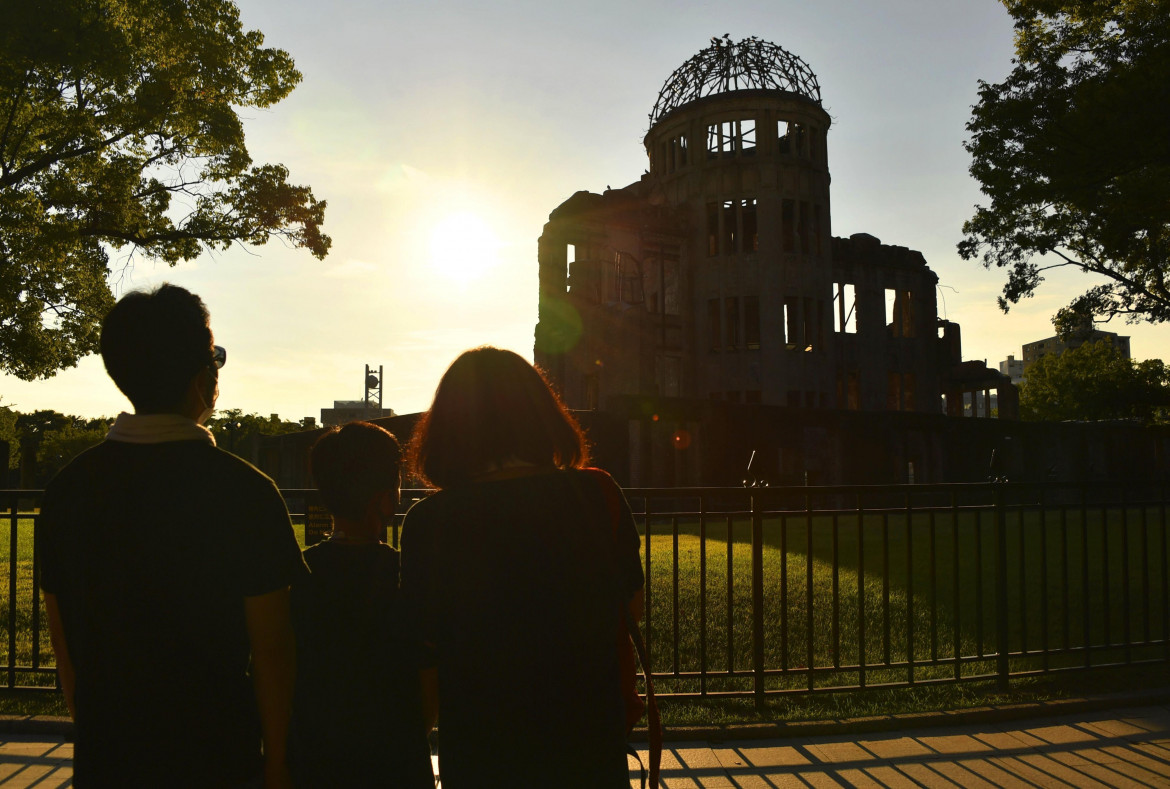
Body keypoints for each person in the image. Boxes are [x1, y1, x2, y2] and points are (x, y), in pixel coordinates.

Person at [37, 284, 308, 788]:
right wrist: (277, 762)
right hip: (217, 752)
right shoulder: (245, 492)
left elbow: (66, 649)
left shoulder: (66, 491)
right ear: (203, 376)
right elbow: (272, 648)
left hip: (108, 754)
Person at [400, 346, 644, 788]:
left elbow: (425, 647)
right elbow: (631, 605)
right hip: (587, 737)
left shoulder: (430, 522)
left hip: (483, 747)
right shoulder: (594, 495)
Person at [287, 422, 434, 788]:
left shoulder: (298, 575)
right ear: (385, 498)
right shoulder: (406, 576)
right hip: (397, 759)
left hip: (315, 759)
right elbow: (428, 683)